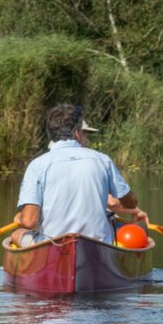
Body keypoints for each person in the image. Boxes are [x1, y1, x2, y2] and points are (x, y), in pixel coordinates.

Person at [11, 103, 149, 245]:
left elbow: (29, 222)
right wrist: (126, 205)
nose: (86, 138)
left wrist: (21, 217)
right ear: (77, 132)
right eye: (85, 133)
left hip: (54, 244)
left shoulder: (37, 165)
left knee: (16, 234)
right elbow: (131, 203)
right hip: (98, 244)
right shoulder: (102, 160)